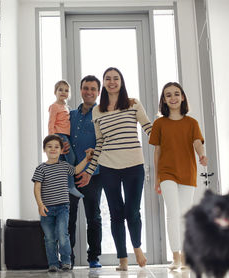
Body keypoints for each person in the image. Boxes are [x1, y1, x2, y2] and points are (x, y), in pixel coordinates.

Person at [79, 67, 152, 270]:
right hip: (108, 167)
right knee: (115, 213)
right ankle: (123, 259)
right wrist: (89, 169)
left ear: (121, 81)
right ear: (104, 83)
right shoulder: (97, 110)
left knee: (133, 211)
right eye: (108, 78)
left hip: (134, 165)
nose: (112, 82)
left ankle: (137, 247)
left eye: (116, 78)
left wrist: (169, 135)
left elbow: (148, 128)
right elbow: (100, 143)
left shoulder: (133, 104)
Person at [149, 81, 208, 270]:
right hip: (167, 172)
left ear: (182, 97)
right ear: (164, 100)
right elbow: (157, 152)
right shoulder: (159, 123)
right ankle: (176, 257)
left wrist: (202, 155)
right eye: (168, 95)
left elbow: (197, 142)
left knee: (183, 215)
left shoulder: (192, 123)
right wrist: (157, 177)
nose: (173, 98)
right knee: (173, 213)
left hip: (187, 172)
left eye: (176, 94)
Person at [32, 134, 93, 272]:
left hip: (63, 208)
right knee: (49, 238)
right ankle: (53, 263)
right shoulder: (41, 169)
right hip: (46, 209)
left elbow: (77, 170)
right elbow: (37, 187)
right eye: (49, 147)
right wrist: (40, 205)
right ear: (44, 150)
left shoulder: (65, 166)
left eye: (56, 147)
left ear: (61, 150)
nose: (53, 149)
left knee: (62, 234)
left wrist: (86, 159)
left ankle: (66, 261)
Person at [64, 75, 103, 269]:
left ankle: (94, 257)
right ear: (80, 90)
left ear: (98, 92)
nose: (89, 92)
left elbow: (103, 147)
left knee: (93, 218)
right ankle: (68, 258)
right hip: (70, 176)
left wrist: (89, 171)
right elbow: (59, 137)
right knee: (68, 219)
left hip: (93, 176)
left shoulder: (101, 115)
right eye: (86, 88)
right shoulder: (69, 115)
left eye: (93, 89)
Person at [48, 80, 84, 198]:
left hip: (66, 135)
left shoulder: (66, 107)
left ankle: (61, 186)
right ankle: (70, 186)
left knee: (62, 162)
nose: (63, 92)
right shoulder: (54, 106)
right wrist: (54, 140)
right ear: (55, 92)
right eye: (60, 90)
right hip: (59, 135)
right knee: (71, 159)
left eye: (66, 90)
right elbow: (51, 124)